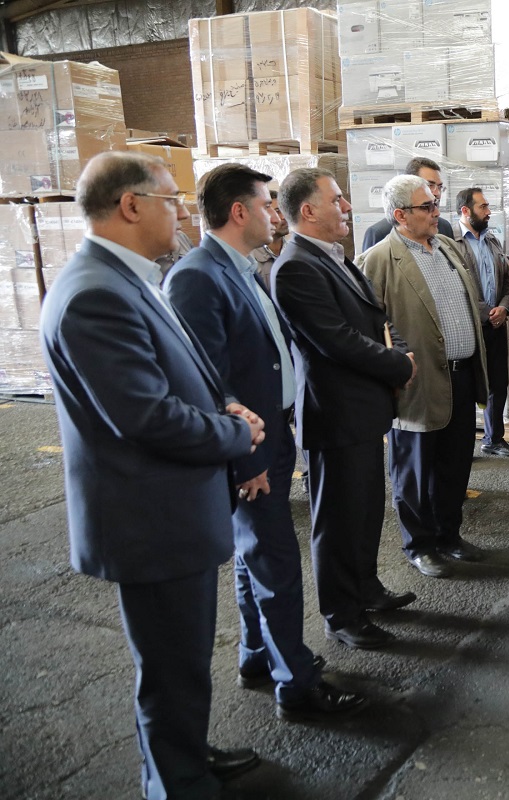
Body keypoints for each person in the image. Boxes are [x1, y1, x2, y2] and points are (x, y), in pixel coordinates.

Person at [39, 151, 265, 799]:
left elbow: (174, 373)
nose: (183, 212)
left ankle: (184, 755)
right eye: (172, 199)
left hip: (169, 513)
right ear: (130, 205)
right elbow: (146, 417)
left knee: (183, 661)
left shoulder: (127, 278)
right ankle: (176, 782)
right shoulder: (95, 295)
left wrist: (222, 405)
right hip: (150, 521)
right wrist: (237, 433)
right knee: (170, 666)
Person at [164, 163, 365, 721]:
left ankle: (258, 654)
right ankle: (295, 684)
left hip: (269, 434)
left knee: (256, 555)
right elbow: (208, 381)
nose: (276, 214)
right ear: (239, 212)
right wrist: (244, 457)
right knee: (275, 561)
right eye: (267, 205)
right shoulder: (197, 276)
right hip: (249, 446)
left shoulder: (241, 266)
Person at [271, 168, 417, 650]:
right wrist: (398, 365)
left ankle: (365, 588)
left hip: (362, 411)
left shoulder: (330, 256)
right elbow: (337, 341)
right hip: (334, 415)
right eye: (337, 200)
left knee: (364, 511)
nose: (347, 207)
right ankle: (341, 614)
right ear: (308, 210)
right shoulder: (295, 267)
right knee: (336, 522)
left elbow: (372, 321)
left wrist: (396, 356)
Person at [359, 175, 489, 579]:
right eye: (427, 207)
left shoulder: (447, 246)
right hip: (417, 382)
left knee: (454, 465)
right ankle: (419, 545)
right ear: (401, 215)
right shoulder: (378, 260)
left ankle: (449, 535)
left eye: (435, 204)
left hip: (461, 377)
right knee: (413, 471)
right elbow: (371, 326)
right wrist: (395, 367)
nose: (436, 212)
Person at [450, 186, 509, 458]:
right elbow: (456, 287)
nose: (489, 211)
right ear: (465, 210)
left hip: (496, 325)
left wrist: (504, 308)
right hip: (468, 327)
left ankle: (493, 439)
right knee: (467, 387)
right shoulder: (451, 243)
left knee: (498, 383)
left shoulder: (492, 241)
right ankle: (462, 443)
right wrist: (487, 312)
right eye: (483, 207)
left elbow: (507, 282)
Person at [361, 156, 453, 251]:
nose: (437, 193)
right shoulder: (379, 233)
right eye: (429, 185)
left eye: (439, 187)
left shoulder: (444, 227)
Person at [252, 188, 289, 284]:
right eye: (277, 211)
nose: (283, 217)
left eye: (284, 210)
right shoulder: (251, 259)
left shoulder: (293, 251)